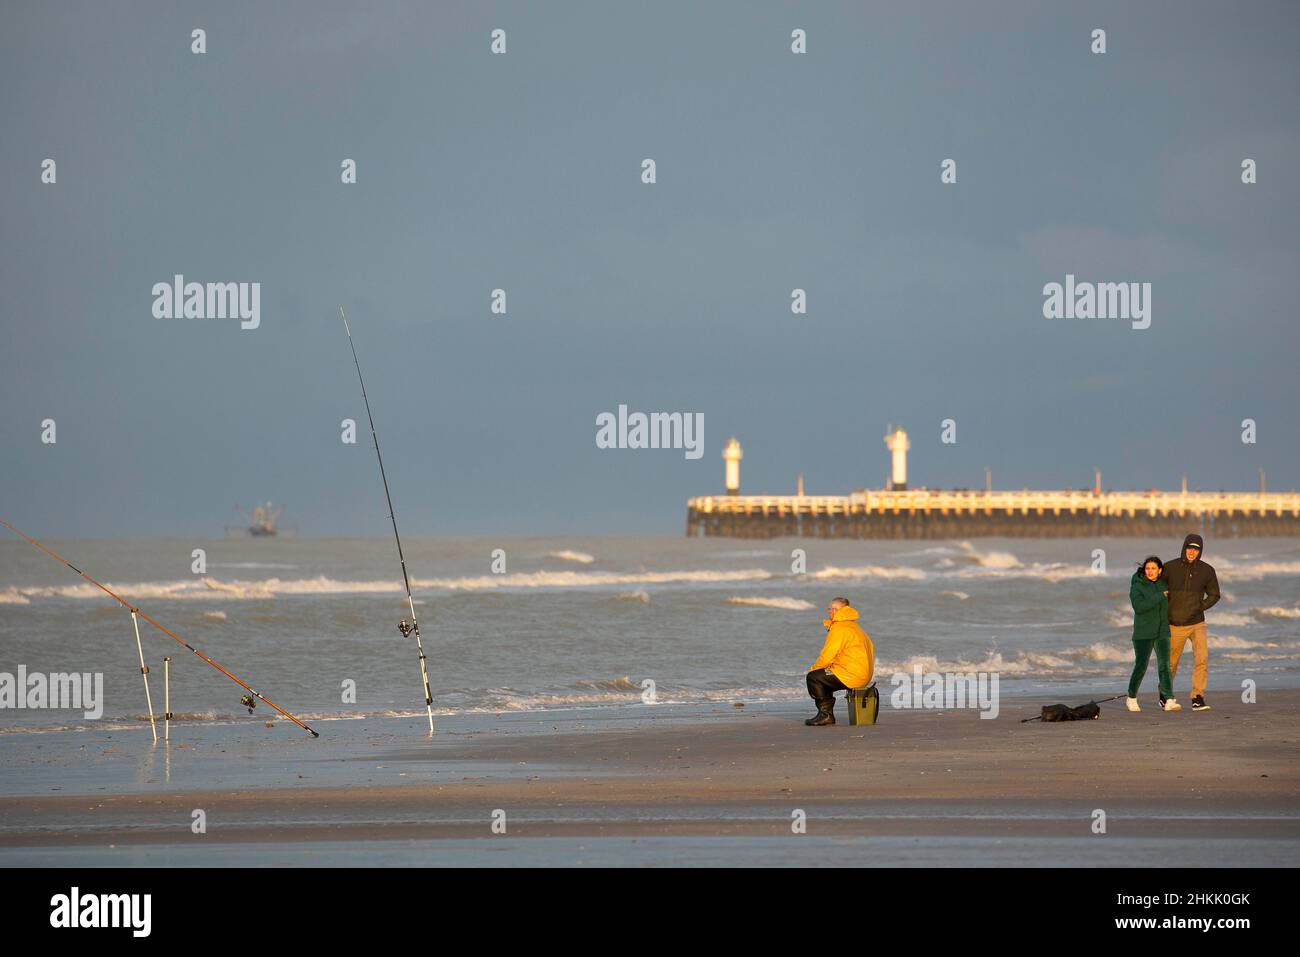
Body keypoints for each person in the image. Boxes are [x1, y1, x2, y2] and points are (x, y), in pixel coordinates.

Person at [1161, 533, 1220, 711]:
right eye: (1189, 548)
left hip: (1197, 623)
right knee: (1171, 663)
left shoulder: (1207, 570)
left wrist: (1199, 607)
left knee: (1202, 659)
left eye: (1196, 549)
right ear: (1184, 548)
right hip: (1175, 624)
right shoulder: (1169, 567)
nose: (1192, 552)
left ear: (1200, 551)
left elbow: (1215, 594)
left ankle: (1197, 697)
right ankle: (1165, 695)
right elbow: (1157, 589)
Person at [805, 597, 874, 726]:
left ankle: (825, 715)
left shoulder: (840, 628)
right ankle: (826, 714)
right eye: (829, 609)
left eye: (835, 609)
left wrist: (814, 669)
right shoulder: (855, 627)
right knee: (823, 675)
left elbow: (827, 656)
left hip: (852, 675)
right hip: (863, 675)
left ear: (844, 611)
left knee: (814, 677)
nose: (831, 612)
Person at [1126, 556, 1179, 712]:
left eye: (1153, 568)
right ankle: (1131, 697)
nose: (1150, 571)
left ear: (1160, 570)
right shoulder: (1137, 585)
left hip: (1162, 632)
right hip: (1143, 633)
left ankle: (1169, 699)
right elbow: (1139, 607)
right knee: (1141, 666)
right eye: (1147, 568)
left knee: (1164, 666)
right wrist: (1160, 596)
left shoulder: (1163, 584)